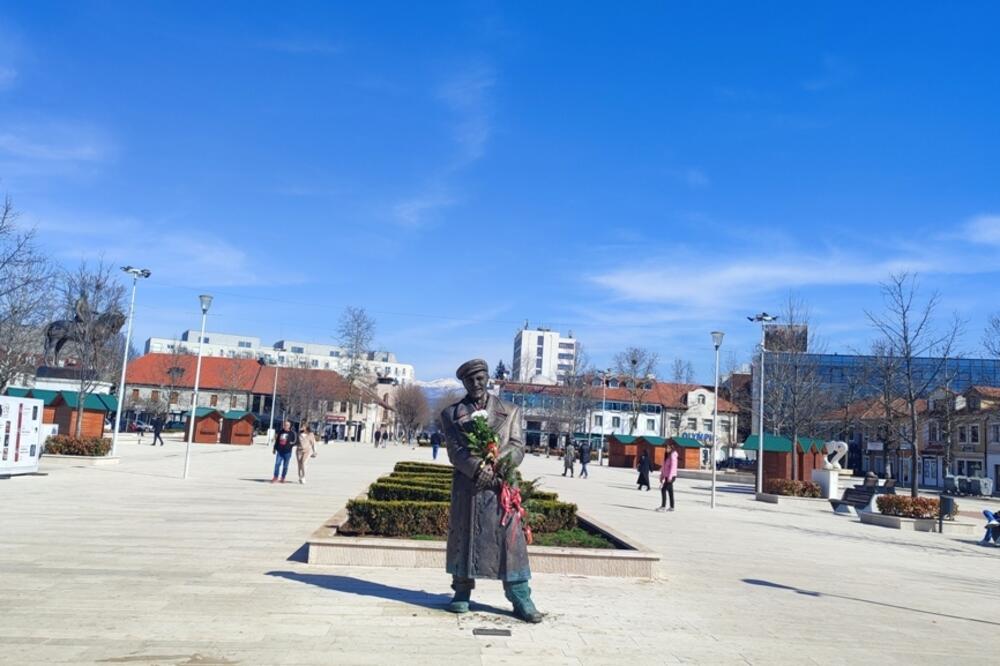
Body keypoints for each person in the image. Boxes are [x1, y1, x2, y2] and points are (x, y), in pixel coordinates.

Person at [442, 358, 542, 623]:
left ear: (487, 378)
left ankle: (521, 595)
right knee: (465, 535)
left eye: (480, 378)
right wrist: (477, 468)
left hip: (502, 486)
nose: (476, 383)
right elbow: (455, 451)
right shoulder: (451, 414)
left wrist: (493, 462)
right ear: (463, 382)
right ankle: (461, 591)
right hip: (469, 486)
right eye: (470, 379)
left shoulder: (510, 410)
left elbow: (518, 446)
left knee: (511, 542)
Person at [656, 442, 679, 511]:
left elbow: (673, 467)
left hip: (671, 476)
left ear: (672, 448)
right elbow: (664, 467)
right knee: (670, 491)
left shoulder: (673, 455)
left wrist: (670, 477)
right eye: (666, 447)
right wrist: (662, 476)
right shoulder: (667, 455)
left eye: (668, 448)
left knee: (663, 490)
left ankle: (663, 507)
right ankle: (672, 507)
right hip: (667, 476)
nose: (666, 449)